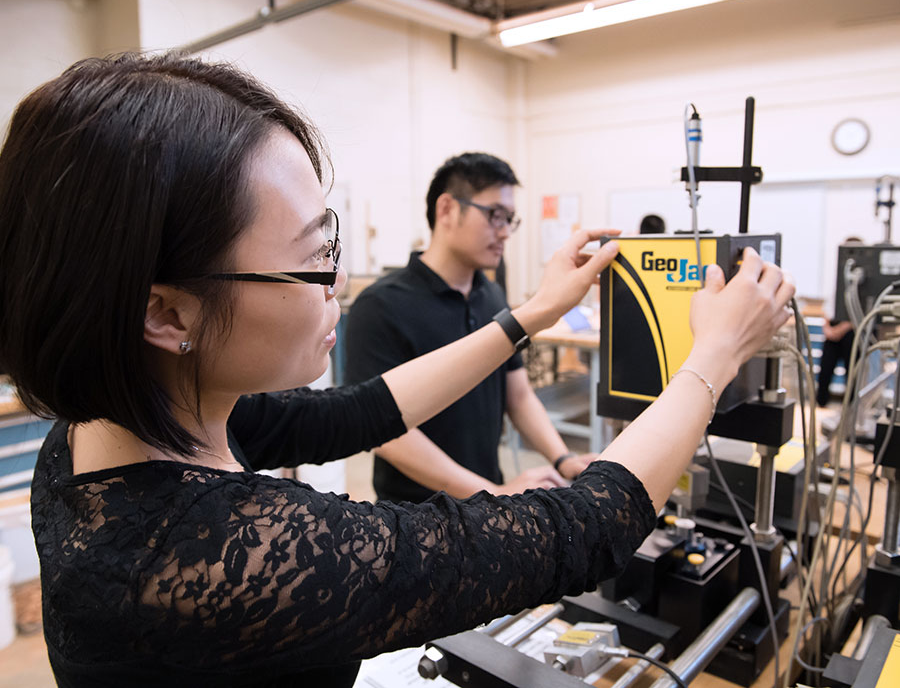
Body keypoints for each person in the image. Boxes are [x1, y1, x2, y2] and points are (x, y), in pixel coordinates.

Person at [0, 53, 794, 687]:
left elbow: (361, 411)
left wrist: (530, 315)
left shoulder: (110, 427)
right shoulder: (228, 558)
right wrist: (713, 358)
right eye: (314, 261)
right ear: (167, 313)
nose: (339, 281)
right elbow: (586, 530)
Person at [345, 152, 599, 504]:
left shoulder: (491, 296)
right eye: (495, 215)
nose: (506, 232)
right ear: (447, 209)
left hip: (485, 503)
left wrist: (564, 459)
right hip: (414, 517)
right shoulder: (380, 306)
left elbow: (519, 395)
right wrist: (491, 493)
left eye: (511, 219)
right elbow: (386, 436)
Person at [817, 236, 862, 407]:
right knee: (825, 369)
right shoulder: (838, 280)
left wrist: (841, 329)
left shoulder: (862, 285)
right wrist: (827, 328)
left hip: (851, 330)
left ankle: (849, 409)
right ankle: (821, 404)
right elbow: (828, 306)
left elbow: (860, 312)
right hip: (833, 329)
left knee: (852, 373)